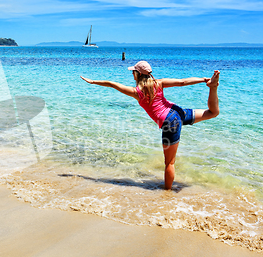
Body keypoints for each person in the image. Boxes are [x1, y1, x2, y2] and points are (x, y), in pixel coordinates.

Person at [80, 61, 220, 190]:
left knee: (169, 163)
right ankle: (212, 88)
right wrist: (204, 80)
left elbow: (112, 84)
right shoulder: (159, 83)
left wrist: (93, 82)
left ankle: (167, 194)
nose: (132, 74)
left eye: (133, 72)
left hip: (169, 121)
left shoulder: (136, 92)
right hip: (178, 111)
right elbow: (182, 82)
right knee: (212, 112)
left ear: (138, 74)